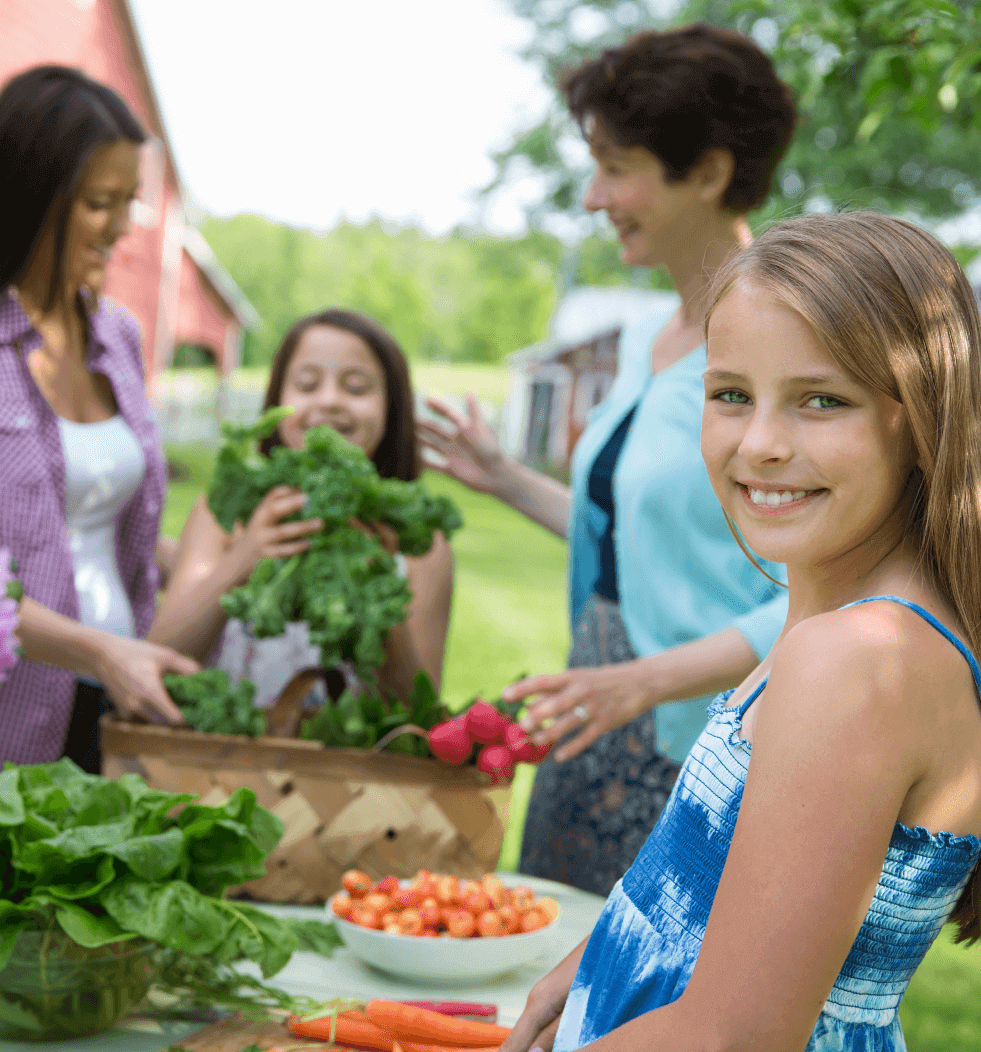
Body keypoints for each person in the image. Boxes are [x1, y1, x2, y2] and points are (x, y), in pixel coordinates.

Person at [500, 210, 981, 1052]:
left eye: (820, 400)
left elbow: (737, 1036)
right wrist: (603, 948)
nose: (759, 444)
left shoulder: (862, 661)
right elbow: (730, 880)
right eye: (730, 395)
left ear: (920, 421)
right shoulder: (834, 622)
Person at [418, 23, 795, 892]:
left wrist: (644, 683)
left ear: (705, 171)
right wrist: (503, 478)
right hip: (596, 719)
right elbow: (641, 541)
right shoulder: (649, 340)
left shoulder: (780, 356)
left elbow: (836, 592)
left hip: (708, 744)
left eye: (617, 167)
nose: (594, 196)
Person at [0, 66, 198, 782]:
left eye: (129, 201)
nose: (121, 228)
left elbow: (99, 514)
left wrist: (219, 561)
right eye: (98, 202)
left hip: (115, 701)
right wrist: (104, 652)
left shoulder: (116, 333)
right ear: (28, 197)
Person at [150, 308, 454, 711]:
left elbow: (417, 714)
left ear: (391, 408)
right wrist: (244, 558)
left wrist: (380, 597)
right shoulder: (223, 514)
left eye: (357, 387)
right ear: (276, 402)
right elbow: (161, 662)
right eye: (307, 384)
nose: (328, 401)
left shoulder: (420, 545)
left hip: (348, 769)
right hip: (215, 764)